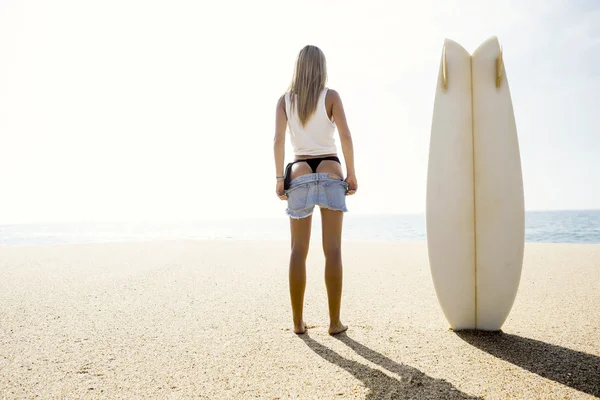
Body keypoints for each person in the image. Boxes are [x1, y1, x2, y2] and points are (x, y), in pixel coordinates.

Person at [273, 45, 358, 335]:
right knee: (332, 249)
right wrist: (352, 173)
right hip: (331, 169)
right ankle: (334, 323)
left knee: (298, 250)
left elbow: (278, 142)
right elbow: (345, 135)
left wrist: (277, 178)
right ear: (321, 67)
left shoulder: (284, 101)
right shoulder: (330, 96)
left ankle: (298, 323)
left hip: (299, 171)